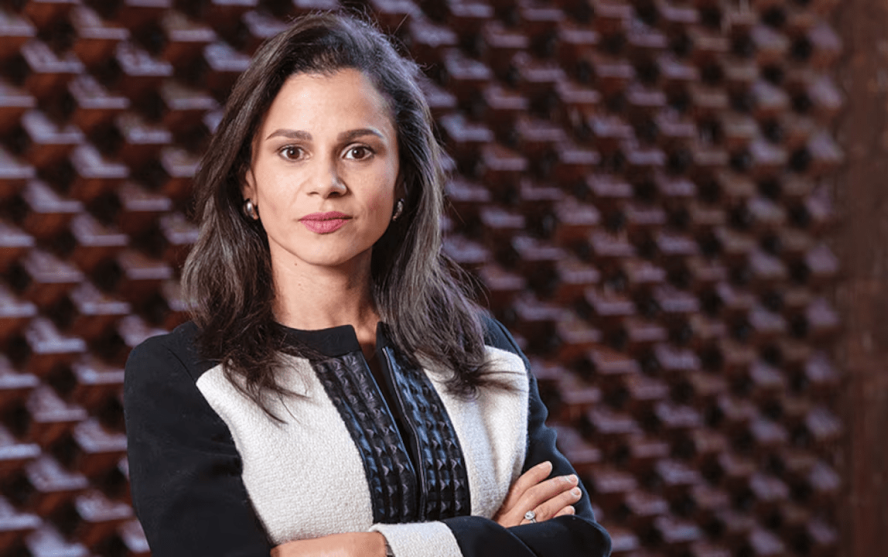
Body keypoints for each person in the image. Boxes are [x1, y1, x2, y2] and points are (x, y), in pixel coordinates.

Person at [123, 11, 611, 557]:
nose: (326, 183)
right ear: (248, 182)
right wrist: (493, 537)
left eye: (359, 151)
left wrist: (374, 550)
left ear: (402, 178)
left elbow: (579, 544)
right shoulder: (183, 377)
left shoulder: (483, 350)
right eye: (292, 152)